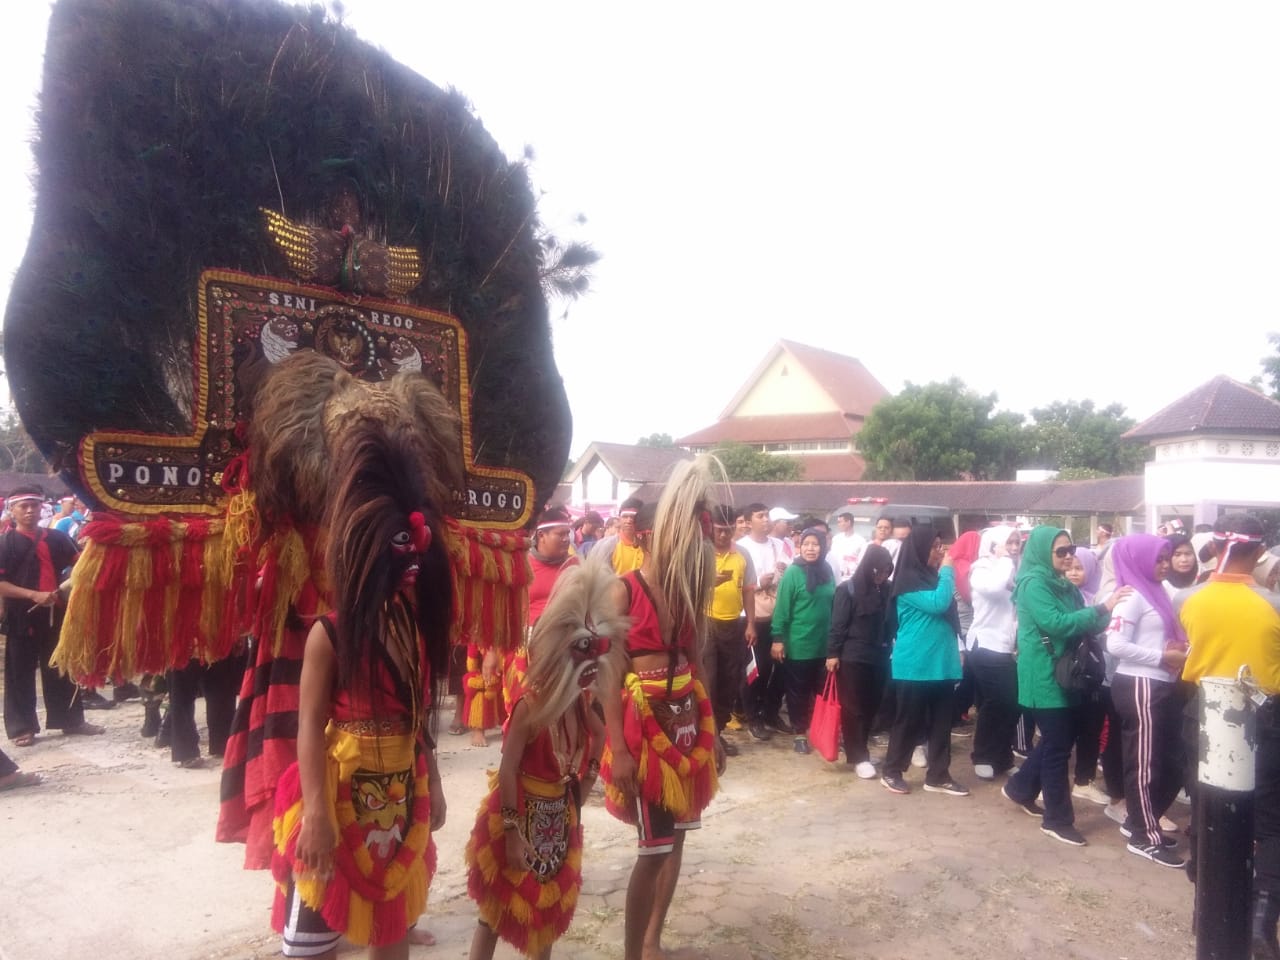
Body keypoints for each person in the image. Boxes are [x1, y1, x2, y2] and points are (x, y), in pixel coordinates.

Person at [270, 428, 451, 959]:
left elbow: (417, 720)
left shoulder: (413, 627)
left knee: (390, 930)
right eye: (401, 548)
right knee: (313, 938)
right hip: (339, 789)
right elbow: (306, 725)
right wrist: (318, 815)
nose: (413, 564)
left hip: (398, 795)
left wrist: (433, 781)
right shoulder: (328, 634)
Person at [465, 561, 625, 960]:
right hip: (518, 816)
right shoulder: (530, 704)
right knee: (495, 912)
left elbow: (598, 740)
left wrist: (583, 786)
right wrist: (514, 832)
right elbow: (507, 769)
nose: (591, 678)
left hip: (557, 821)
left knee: (551, 912)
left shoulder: (579, 704)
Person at [599, 457, 724, 960]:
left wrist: (714, 738)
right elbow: (607, 673)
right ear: (647, 536)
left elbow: (697, 664)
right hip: (643, 731)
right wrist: (618, 748)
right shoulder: (622, 589)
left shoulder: (687, 592)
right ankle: (633, 953)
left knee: (676, 842)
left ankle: (653, 940)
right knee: (652, 850)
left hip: (688, 726)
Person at [1177, 515, 1280, 954]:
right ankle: (1259, 922)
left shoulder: (1189, 598)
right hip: (1264, 717)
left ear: (1216, 548)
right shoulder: (1272, 603)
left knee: (1206, 809)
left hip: (1204, 712)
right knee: (1273, 821)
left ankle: (1206, 911)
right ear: (1259, 552)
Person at [1002, 528, 1130, 846]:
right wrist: (1102, 608)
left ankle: (1020, 787)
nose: (1069, 555)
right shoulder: (1034, 584)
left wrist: (1110, 613)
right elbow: (1058, 623)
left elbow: (1085, 624)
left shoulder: (1063, 585)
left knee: (1057, 740)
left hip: (1068, 673)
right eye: (1061, 551)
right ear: (1043, 553)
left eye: (1071, 548)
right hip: (1044, 675)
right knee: (1058, 745)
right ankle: (1057, 819)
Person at [1105, 534, 1188, 868]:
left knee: (1174, 760)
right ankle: (1143, 836)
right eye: (1159, 559)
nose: (1165, 565)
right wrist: (1161, 656)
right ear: (1139, 559)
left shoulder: (1162, 594)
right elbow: (1115, 645)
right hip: (1139, 684)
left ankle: (1141, 820)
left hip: (1162, 684)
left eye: (1167, 558)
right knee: (1143, 763)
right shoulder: (1132, 597)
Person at [0, 485, 105, 746]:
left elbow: (82, 562)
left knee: (61, 666)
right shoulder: (4, 543)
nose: (29, 510)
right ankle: (21, 727)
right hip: (22, 615)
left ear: (41, 508)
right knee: (19, 672)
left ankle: (70, 720)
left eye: (34, 505)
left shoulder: (57, 538)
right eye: (23, 506)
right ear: (12, 510)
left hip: (57, 613)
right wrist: (33, 595)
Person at [879, 526, 968, 796]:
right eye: (934, 546)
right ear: (918, 549)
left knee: (942, 723)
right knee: (909, 721)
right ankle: (892, 770)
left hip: (941, 662)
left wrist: (959, 651)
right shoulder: (907, 581)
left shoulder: (932, 578)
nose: (939, 552)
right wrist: (949, 569)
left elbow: (949, 616)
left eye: (941, 546)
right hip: (915, 664)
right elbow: (940, 604)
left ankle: (938, 775)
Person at [826, 543, 894, 777]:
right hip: (853, 656)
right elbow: (838, 624)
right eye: (878, 571)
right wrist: (833, 653)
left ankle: (862, 748)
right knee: (853, 707)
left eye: (886, 571)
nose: (881, 576)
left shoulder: (887, 590)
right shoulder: (848, 590)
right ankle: (857, 755)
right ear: (868, 567)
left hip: (880, 656)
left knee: (871, 705)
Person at [773, 527, 835, 755]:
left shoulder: (827, 570)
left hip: (824, 644)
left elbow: (833, 603)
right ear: (800, 547)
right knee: (798, 692)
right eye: (806, 544)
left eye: (815, 544)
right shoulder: (792, 573)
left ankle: (820, 732)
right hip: (799, 643)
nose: (810, 548)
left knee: (822, 692)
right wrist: (777, 638)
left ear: (823, 546)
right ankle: (799, 733)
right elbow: (782, 608)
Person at [967, 525, 1021, 780]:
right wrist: (1005, 561)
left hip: (1008, 647)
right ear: (994, 544)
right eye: (1008, 543)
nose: (1013, 548)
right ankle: (982, 755)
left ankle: (1002, 756)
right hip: (986, 644)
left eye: (1015, 543)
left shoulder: (1013, 568)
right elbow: (994, 588)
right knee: (995, 701)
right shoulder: (982, 568)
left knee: (1011, 704)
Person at [736, 502, 791, 741]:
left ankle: (770, 712)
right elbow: (737, 584)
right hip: (751, 616)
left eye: (768, 515)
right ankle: (752, 716)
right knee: (753, 669)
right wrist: (759, 581)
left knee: (777, 666)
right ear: (748, 522)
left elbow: (790, 573)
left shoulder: (779, 545)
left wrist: (783, 570)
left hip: (776, 614)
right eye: (761, 516)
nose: (766, 519)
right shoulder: (740, 547)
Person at [704, 505, 754, 757]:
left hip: (733, 625)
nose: (723, 535)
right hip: (704, 625)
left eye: (728, 530)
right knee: (707, 683)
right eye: (719, 530)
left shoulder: (742, 554)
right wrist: (707, 583)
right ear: (711, 527)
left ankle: (718, 735)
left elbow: (748, 590)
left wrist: (751, 624)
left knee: (728, 682)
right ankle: (705, 739)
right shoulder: (700, 553)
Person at [826, 508, 867, 585]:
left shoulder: (860, 541)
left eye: (840, 522)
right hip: (834, 576)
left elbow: (862, 562)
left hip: (850, 579)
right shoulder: (836, 538)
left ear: (848, 522)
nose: (838, 524)